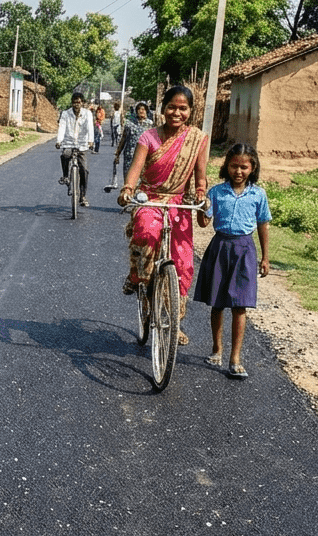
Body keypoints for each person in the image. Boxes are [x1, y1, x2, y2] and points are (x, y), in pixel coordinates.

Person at [117, 85, 209, 345]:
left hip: (178, 204)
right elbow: (135, 169)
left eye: (183, 108)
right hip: (151, 199)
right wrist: (127, 189)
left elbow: (200, 178)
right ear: (162, 108)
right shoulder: (149, 137)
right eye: (172, 107)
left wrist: (201, 193)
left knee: (182, 263)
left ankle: (174, 322)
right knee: (146, 231)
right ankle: (138, 278)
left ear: (190, 112)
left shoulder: (197, 139)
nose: (176, 112)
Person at [194, 144, 272, 379]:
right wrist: (201, 206)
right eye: (234, 166)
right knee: (217, 303)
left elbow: (263, 224)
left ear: (253, 167)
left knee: (240, 305)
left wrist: (266, 257)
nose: (238, 171)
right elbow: (203, 223)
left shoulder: (258, 194)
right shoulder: (216, 193)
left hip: (245, 250)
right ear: (226, 166)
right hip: (220, 247)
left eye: (244, 167)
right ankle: (217, 349)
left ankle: (235, 358)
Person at [55, 92, 94, 207]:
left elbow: (90, 128)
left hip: (82, 144)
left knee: (84, 170)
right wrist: (59, 140)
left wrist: (90, 141)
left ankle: (82, 196)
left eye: (78, 102)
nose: (76, 104)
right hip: (68, 142)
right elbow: (62, 127)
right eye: (74, 102)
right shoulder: (66, 114)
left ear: (82, 103)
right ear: (72, 103)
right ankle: (66, 176)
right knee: (65, 155)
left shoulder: (87, 114)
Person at [114, 102, 154, 184]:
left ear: (146, 111)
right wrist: (118, 153)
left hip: (144, 157)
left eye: (143, 109)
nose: (141, 111)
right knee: (128, 179)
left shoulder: (150, 125)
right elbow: (123, 139)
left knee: (141, 182)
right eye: (139, 109)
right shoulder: (129, 124)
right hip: (129, 157)